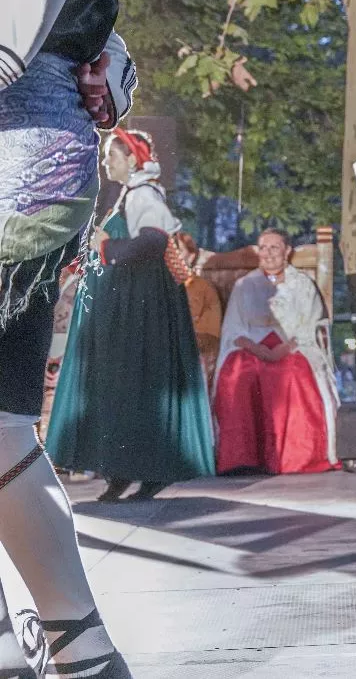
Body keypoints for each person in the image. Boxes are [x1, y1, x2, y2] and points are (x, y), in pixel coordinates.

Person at [0, 0, 136, 678]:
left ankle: (73, 638)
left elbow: (6, 45)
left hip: (15, 171)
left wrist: (104, 71)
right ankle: (64, 639)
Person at [48, 129, 217, 502]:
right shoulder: (126, 195)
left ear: (132, 160)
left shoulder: (144, 193)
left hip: (139, 304)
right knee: (118, 386)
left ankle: (149, 469)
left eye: (112, 156)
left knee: (137, 383)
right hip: (119, 302)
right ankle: (120, 470)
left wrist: (107, 248)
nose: (107, 162)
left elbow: (154, 241)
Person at [213, 229, 339, 475]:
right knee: (239, 371)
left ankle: (295, 457)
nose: (268, 253)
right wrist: (257, 349)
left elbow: (309, 325)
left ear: (287, 251)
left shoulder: (302, 283)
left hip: (292, 346)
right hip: (252, 347)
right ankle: (243, 458)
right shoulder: (245, 285)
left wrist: (282, 350)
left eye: (274, 248)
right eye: (263, 247)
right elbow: (234, 329)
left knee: (293, 373)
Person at [172, 231, 223, 385]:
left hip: (201, 340)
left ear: (191, 257)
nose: (171, 258)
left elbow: (189, 319)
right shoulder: (162, 285)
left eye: (177, 252)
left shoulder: (198, 286)